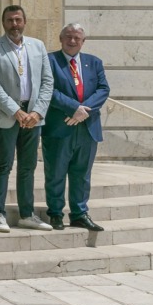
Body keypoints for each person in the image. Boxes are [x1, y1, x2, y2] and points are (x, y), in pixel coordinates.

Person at [0, 6, 54, 232]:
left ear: (25, 21)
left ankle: (27, 214)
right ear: (3, 23)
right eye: (9, 20)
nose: (14, 24)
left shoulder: (38, 46)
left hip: (33, 115)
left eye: (18, 20)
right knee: (3, 165)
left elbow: (47, 81)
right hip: (8, 114)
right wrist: (15, 110)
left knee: (28, 166)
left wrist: (37, 112)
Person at [43, 23, 110, 232]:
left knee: (82, 174)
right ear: (61, 38)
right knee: (56, 172)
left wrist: (83, 112)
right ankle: (55, 213)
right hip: (59, 127)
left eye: (77, 38)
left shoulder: (94, 62)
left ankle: (79, 213)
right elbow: (48, 89)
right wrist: (73, 108)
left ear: (83, 41)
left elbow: (103, 89)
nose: (72, 41)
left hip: (87, 128)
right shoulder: (50, 60)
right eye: (68, 37)